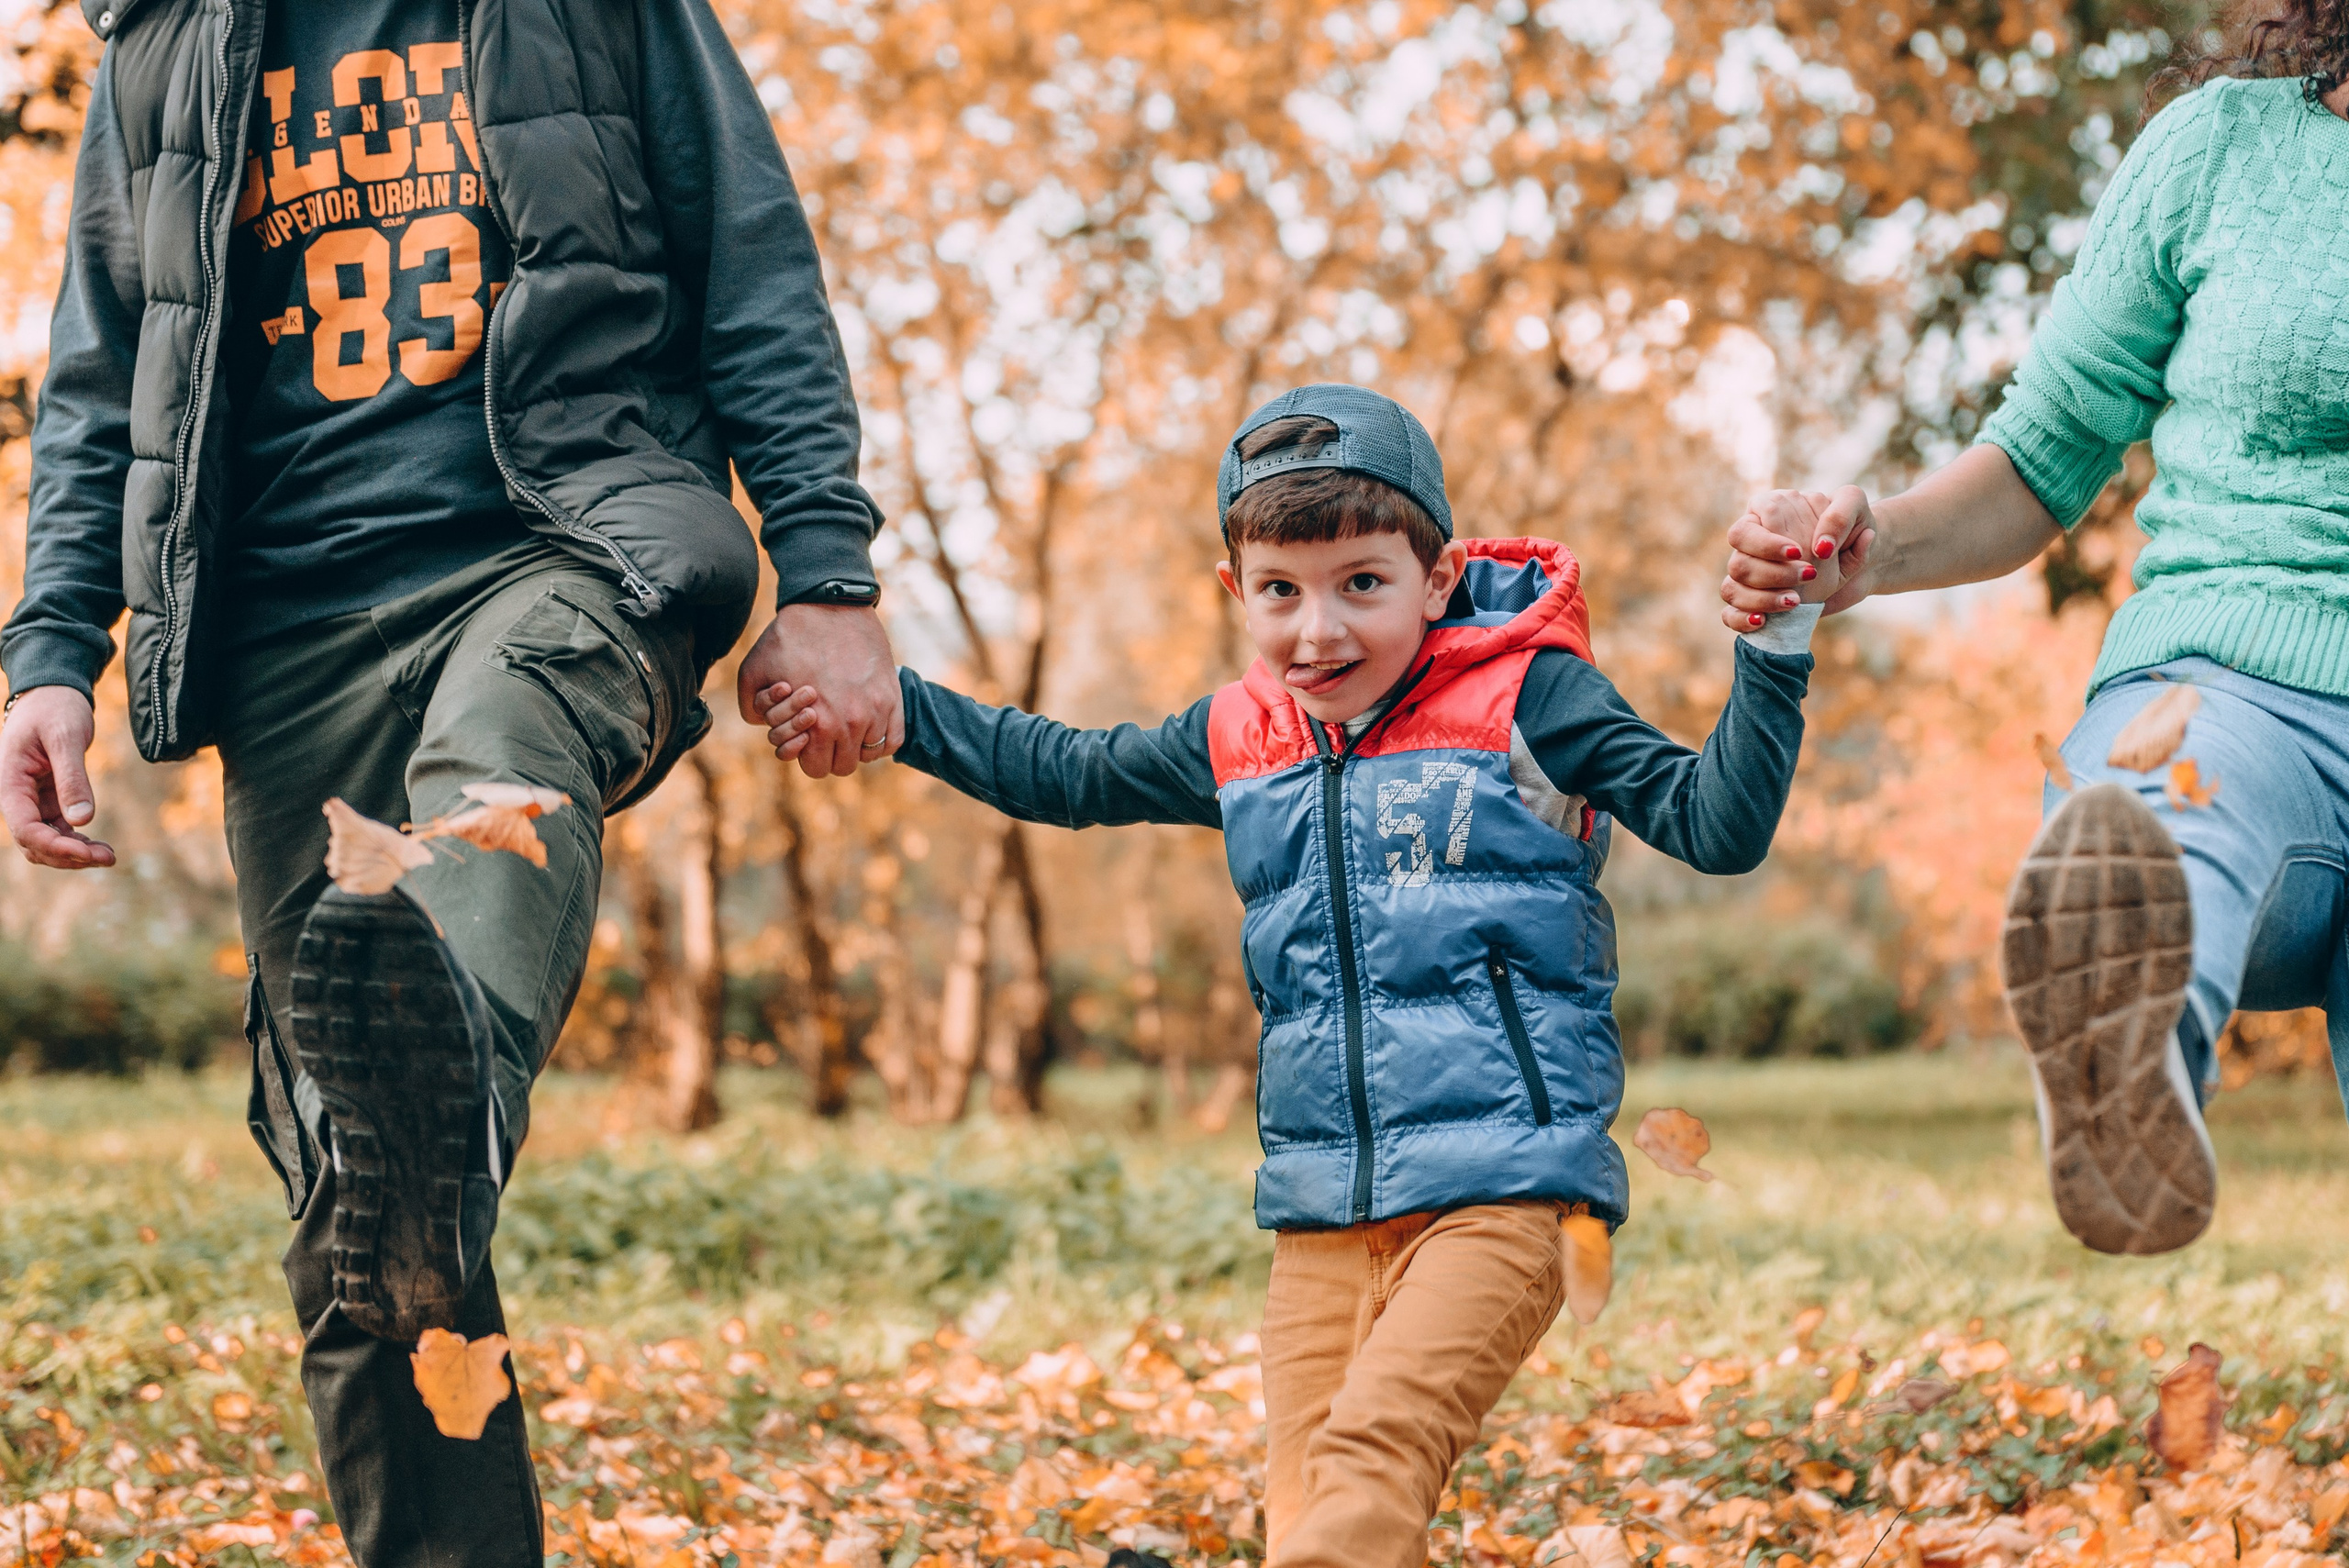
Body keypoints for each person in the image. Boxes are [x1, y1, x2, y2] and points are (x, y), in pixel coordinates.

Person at [0, 0, 903, 1562]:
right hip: (287, 629)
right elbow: (101, 374)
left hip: (566, 546)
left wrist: (825, 563)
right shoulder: (158, 43)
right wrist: (50, 648)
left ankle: (451, 1087)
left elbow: (748, 246)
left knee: (498, 755)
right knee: (361, 1218)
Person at [759, 384, 1829, 1567]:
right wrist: (894, 707)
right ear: (1239, 594)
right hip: (1321, 1211)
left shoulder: (1532, 700)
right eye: (1282, 591)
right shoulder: (1243, 734)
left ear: (1435, 577)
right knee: (1314, 1517)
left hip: (1507, 1189)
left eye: (1361, 584)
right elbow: (1065, 772)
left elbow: (1715, 824)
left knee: (1374, 1461)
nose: (1318, 631)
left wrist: (1772, 651)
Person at [1717, 9, 2349, 1258]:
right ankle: (2124, 1046)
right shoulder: (2219, 150)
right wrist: (1872, 545)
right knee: (2159, 820)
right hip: (2232, 670)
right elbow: (2049, 442)